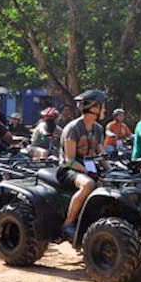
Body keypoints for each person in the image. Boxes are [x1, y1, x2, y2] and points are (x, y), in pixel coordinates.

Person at [57, 90, 109, 240]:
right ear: (93, 108)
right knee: (88, 185)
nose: (105, 110)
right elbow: (69, 160)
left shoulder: (98, 129)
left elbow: (101, 155)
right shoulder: (73, 128)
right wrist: (88, 172)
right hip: (69, 169)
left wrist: (114, 170)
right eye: (102, 106)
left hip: (89, 168)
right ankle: (68, 223)